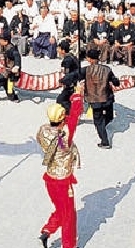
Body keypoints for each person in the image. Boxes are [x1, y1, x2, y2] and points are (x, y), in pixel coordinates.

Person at [36, 84, 84, 248]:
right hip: (64, 181)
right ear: (63, 119)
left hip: (50, 178)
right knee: (69, 216)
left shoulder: (42, 130)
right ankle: (69, 245)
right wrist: (77, 95)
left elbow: (71, 119)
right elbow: (75, 115)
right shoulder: (65, 136)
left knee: (60, 209)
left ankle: (47, 231)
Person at [82, 49, 120, 149]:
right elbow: (116, 82)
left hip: (95, 100)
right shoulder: (107, 69)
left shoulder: (86, 70)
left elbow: (74, 76)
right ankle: (102, 127)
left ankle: (105, 141)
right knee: (109, 116)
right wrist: (116, 81)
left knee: (98, 121)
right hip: (107, 98)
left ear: (89, 59)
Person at [0, 30, 22, 102]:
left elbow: (17, 56)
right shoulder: (7, 47)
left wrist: (17, 66)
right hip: (8, 70)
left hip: (10, 71)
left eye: (1, 40)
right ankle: (13, 98)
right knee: (5, 83)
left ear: (6, 41)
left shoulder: (11, 49)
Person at [55, 40, 80, 113]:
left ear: (63, 50)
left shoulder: (67, 60)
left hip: (72, 83)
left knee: (61, 100)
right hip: (75, 80)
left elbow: (67, 74)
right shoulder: (72, 56)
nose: (58, 50)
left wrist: (62, 81)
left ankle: (70, 113)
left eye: (59, 49)